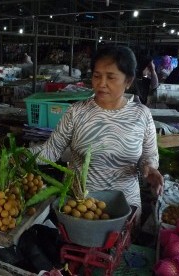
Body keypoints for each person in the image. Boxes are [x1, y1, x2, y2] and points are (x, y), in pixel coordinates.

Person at [29, 46, 164, 213]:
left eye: (111, 77)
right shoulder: (76, 111)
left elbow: (149, 155)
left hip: (124, 206)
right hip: (78, 205)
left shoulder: (141, 115)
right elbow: (51, 150)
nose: (101, 84)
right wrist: (23, 155)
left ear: (128, 81)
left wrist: (149, 167)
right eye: (97, 76)